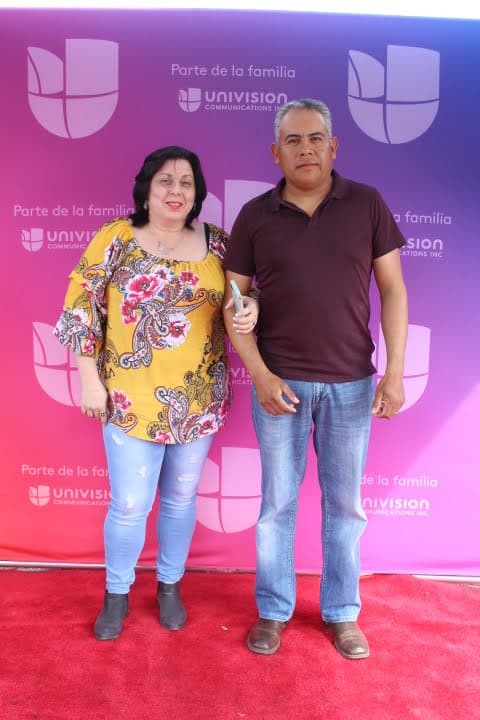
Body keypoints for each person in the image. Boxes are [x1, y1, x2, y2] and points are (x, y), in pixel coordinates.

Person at [222, 99, 408, 660]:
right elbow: (233, 303)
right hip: (278, 384)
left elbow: (393, 289)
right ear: (275, 152)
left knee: (345, 506)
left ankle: (342, 612)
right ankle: (273, 610)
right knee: (277, 504)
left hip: (351, 384)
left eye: (315, 138)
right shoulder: (254, 215)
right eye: (293, 140)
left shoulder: (367, 204)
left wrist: (395, 373)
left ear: (333, 146)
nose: (306, 149)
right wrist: (258, 374)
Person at [55, 145, 258, 640]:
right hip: (129, 398)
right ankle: (117, 592)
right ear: (146, 189)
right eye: (165, 180)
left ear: (197, 193)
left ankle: (169, 585)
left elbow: (243, 297)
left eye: (186, 182)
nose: (175, 190)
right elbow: (81, 307)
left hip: (198, 399)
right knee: (129, 504)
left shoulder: (220, 244)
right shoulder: (116, 238)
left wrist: (253, 304)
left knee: (181, 500)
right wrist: (89, 379)